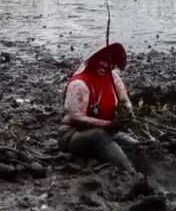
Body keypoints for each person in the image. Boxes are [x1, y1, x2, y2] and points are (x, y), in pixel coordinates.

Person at [58, 43, 137, 172]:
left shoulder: (113, 78)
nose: (104, 65)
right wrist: (107, 124)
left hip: (108, 132)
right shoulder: (80, 84)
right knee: (98, 135)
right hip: (73, 135)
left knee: (134, 145)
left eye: (108, 61)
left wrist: (128, 115)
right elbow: (77, 118)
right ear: (92, 61)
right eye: (101, 60)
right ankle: (129, 171)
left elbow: (124, 100)